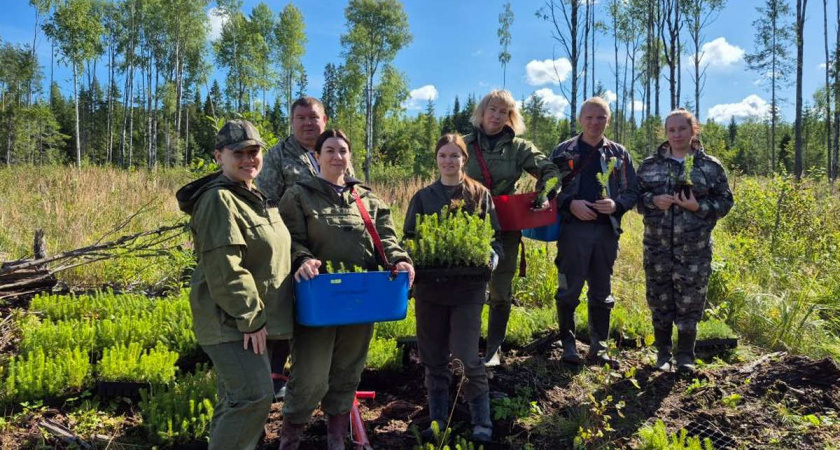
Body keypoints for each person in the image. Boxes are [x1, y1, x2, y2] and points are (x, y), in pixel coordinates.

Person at [277, 129, 415, 450]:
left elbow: (387, 240)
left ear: (350, 156)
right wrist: (302, 259)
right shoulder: (298, 195)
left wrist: (400, 260)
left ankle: (336, 438)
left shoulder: (366, 199)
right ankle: (289, 439)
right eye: (329, 150)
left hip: (361, 299)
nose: (337, 156)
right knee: (310, 378)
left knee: (347, 372)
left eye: (342, 151)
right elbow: (288, 239)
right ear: (316, 157)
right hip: (318, 300)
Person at [175, 120, 294, 450]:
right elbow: (225, 267)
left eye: (253, 151)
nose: (248, 159)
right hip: (231, 321)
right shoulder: (219, 200)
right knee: (253, 397)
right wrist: (250, 317)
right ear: (219, 156)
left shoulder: (254, 196)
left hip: (251, 322)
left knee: (235, 400)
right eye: (237, 153)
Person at [403, 134, 503, 443]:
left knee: (466, 357)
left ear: (464, 159)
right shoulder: (423, 197)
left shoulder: (479, 194)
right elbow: (409, 240)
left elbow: (495, 239)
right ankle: (438, 421)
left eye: (454, 155)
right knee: (433, 358)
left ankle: (481, 422)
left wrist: (491, 258)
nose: (448, 161)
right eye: (443, 155)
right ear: (436, 159)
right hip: (430, 291)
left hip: (468, 291)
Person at [464, 89, 561, 367]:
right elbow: (446, 174)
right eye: (492, 109)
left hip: (505, 226)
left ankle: (493, 349)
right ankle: (464, 345)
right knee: (466, 287)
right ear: (482, 112)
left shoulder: (520, 148)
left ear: (510, 117)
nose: (496, 116)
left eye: (503, 112)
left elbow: (551, 172)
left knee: (500, 289)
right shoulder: (464, 144)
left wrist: (544, 195)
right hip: (468, 227)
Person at [636, 109, 733, 373]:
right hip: (657, 248)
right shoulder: (650, 165)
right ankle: (662, 354)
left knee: (690, 301)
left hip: (694, 249)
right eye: (672, 130)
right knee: (659, 300)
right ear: (666, 132)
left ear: (693, 131)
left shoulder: (710, 166)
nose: (677, 134)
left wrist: (698, 207)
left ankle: (685, 355)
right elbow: (635, 198)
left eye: (682, 129)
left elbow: (726, 202)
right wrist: (653, 200)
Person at [255, 97, 335, 398]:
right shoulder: (278, 156)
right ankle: (275, 376)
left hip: (328, 245)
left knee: (324, 310)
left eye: (313, 117)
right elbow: (265, 201)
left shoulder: (334, 150)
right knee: (283, 307)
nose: (307, 123)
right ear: (292, 122)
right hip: (289, 245)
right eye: (300, 118)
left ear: (324, 120)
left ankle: (320, 375)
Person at [550, 97, 638, 368]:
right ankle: (568, 344)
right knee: (568, 290)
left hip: (606, 232)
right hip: (572, 231)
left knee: (601, 291)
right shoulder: (564, 152)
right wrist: (569, 203)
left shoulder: (618, 154)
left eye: (601, 118)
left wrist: (616, 205)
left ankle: (599, 346)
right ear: (580, 120)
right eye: (589, 117)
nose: (594, 123)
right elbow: (548, 188)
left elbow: (632, 191)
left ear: (608, 121)